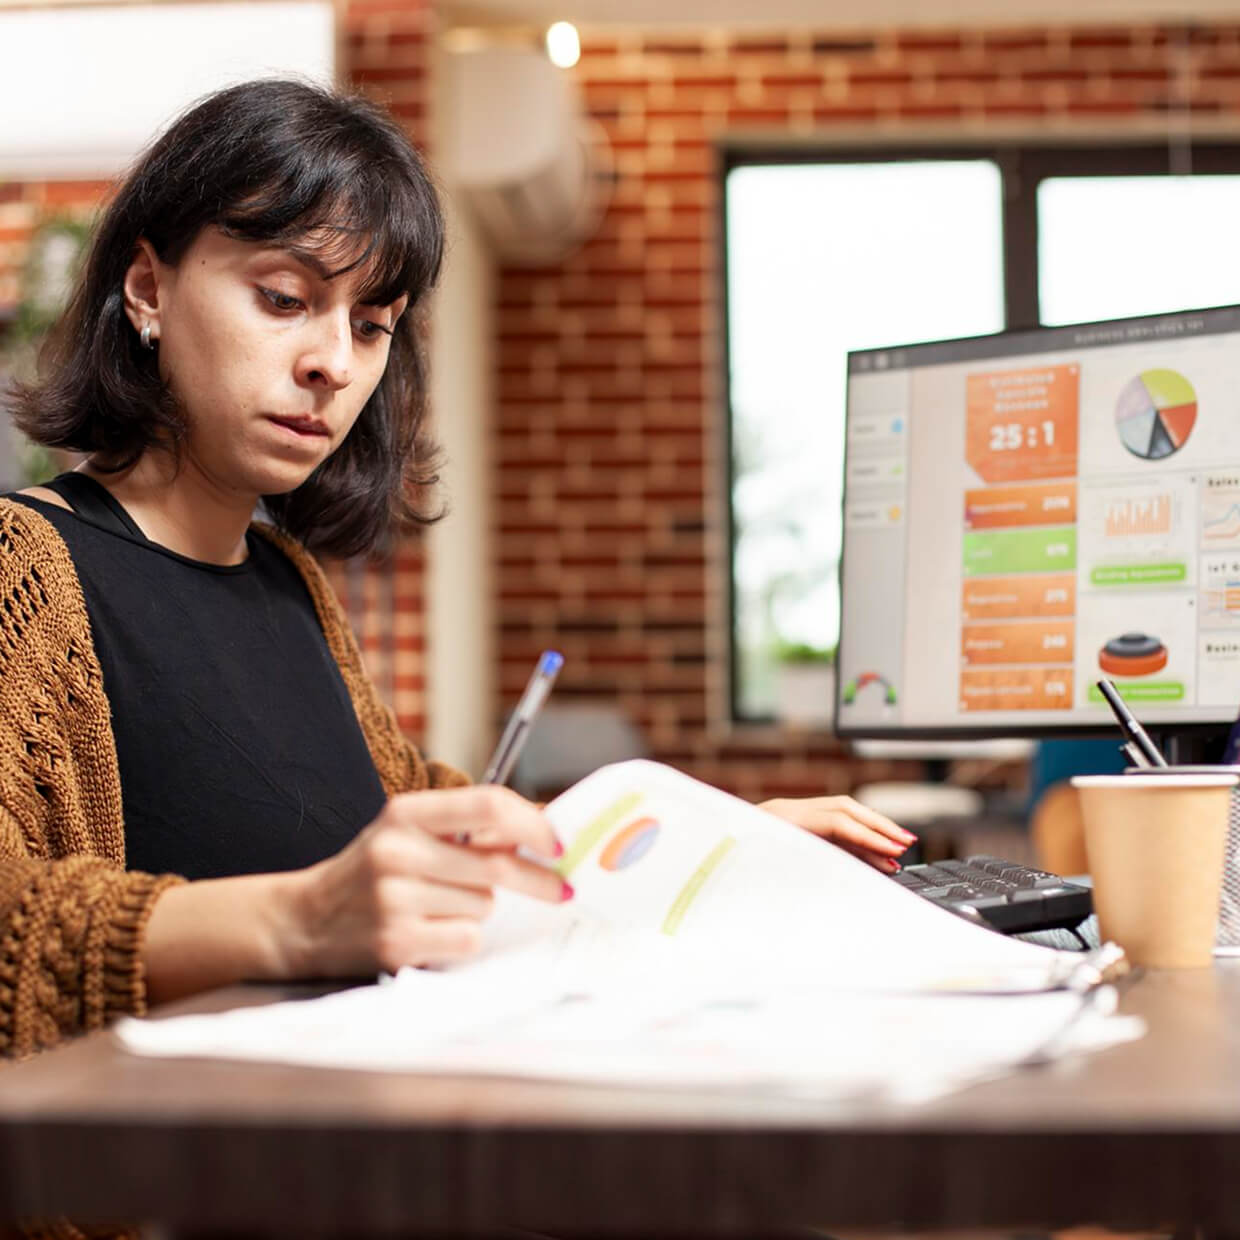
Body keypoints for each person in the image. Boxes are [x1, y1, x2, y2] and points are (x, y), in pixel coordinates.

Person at [0, 78, 915, 1062]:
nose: (333, 364)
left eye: (370, 323)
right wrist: (301, 919)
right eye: (283, 298)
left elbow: (413, 825)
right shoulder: (25, 570)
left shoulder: (288, 582)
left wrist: (704, 847)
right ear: (147, 288)